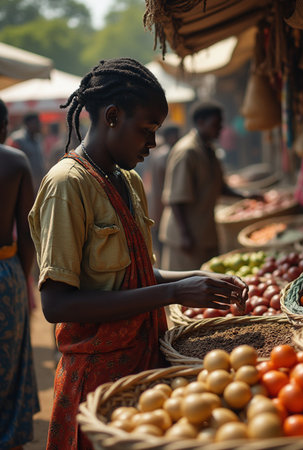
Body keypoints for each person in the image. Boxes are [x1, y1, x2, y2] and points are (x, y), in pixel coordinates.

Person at [28, 58, 248, 450]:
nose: (153, 144)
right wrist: (174, 293)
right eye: (146, 131)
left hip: (145, 366)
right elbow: (57, 303)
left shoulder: (127, 180)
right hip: (96, 380)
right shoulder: (68, 185)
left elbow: (138, 276)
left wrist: (193, 280)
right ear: (112, 116)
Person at [159, 100, 257, 271]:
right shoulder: (187, 152)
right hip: (187, 236)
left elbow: (219, 187)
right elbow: (175, 198)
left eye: (220, 124)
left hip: (204, 232)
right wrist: (185, 235)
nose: (220, 129)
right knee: (188, 286)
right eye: (215, 125)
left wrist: (246, 196)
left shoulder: (209, 149)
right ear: (200, 123)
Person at [0, 99, 40, 449]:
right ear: (4, 128)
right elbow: (27, 233)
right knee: (8, 365)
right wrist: (21, 275)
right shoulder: (14, 161)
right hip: (5, 273)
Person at [148, 124, 181, 261]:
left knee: (158, 241)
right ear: (171, 137)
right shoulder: (168, 155)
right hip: (163, 204)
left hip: (155, 202)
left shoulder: (158, 154)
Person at [7, 112, 45, 194]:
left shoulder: (38, 139)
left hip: (37, 187)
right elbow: (10, 165)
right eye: (37, 122)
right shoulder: (17, 139)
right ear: (28, 123)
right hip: (22, 188)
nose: (39, 125)